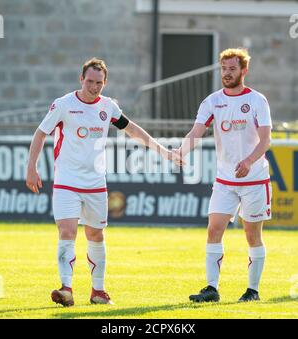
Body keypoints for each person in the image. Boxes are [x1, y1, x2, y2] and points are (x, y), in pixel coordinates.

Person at [26, 58, 182, 307]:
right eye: (89, 81)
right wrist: (31, 166)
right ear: (81, 79)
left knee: (96, 234)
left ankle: (98, 291)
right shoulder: (64, 105)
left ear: (105, 82)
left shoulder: (108, 107)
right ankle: (66, 288)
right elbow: (41, 133)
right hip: (66, 181)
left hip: (96, 183)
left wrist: (165, 152)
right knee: (67, 231)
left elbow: (132, 129)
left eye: (99, 82)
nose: (94, 86)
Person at [175, 48, 272, 302]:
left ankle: (252, 291)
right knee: (214, 229)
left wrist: (250, 161)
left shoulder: (257, 100)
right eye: (224, 69)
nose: (227, 74)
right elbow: (196, 132)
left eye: (232, 69)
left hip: (254, 179)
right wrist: (182, 151)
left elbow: (266, 140)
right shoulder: (212, 101)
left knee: (252, 235)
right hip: (225, 180)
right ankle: (211, 289)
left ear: (244, 70)